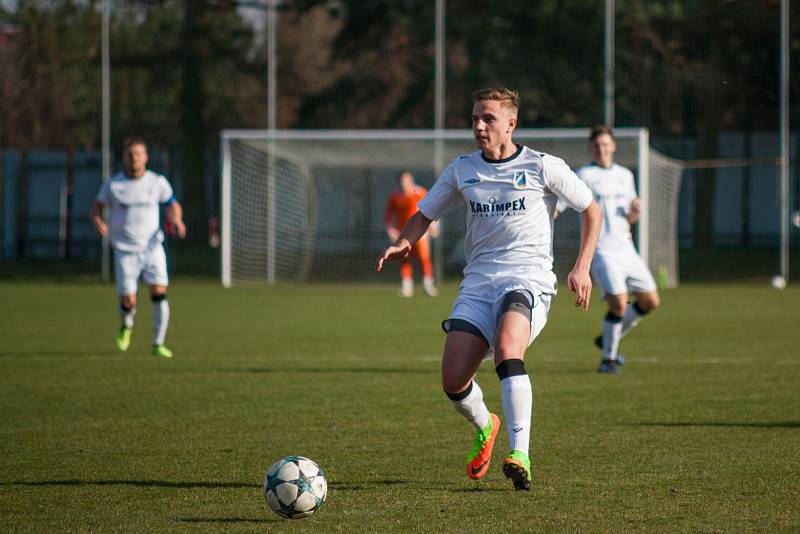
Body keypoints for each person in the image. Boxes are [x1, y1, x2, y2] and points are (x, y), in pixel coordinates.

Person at [376, 88, 601, 490]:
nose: (479, 126)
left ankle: (521, 454)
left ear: (511, 123)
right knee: (453, 380)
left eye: (489, 119)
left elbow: (591, 209)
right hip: (478, 283)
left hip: (527, 278)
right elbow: (424, 214)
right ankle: (486, 424)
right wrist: (404, 242)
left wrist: (582, 266)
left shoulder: (541, 166)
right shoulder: (462, 169)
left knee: (509, 346)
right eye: (475, 118)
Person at [556, 125, 660, 374]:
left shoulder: (625, 175)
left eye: (605, 144)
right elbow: (560, 205)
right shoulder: (584, 175)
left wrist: (635, 210)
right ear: (590, 148)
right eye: (596, 145)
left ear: (613, 146)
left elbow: (630, 216)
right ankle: (608, 359)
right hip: (601, 250)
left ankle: (608, 337)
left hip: (626, 248)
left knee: (650, 300)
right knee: (619, 305)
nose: (601, 149)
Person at [91, 137, 186, 358]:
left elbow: (172, 205)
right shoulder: (113, 185)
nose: (134, 157)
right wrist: (98, 221)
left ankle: (158, 343)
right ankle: (126, 325)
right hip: (125, 250)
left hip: (152, 247)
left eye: (138, 153)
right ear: (124, 157)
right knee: (128, 300)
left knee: (159, 292)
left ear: (146, 157)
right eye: (130, 154)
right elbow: (96, 208)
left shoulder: (157, 182)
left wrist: (177, 220)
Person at [384, 170, 438, 297]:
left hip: (420, 231)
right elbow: (388, 216)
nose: (405, 183)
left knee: (424, 257)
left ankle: (428, 285)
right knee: (404, 258)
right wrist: (391, 230)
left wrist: (433, 226)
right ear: (399, 182)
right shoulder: (394, 196)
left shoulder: (420, 192)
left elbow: (433, 209)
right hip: (402, 232)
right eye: (403, 181)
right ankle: (407, 287)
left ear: (412, 180)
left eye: (408, 180)